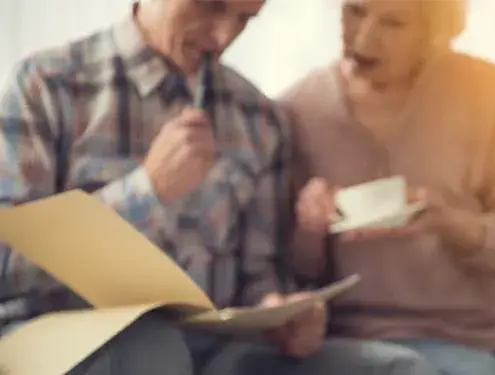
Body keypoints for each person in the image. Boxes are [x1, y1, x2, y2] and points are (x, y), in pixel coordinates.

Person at [0, 0, 439, 374]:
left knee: (396, 367)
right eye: (210, 4)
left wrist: (278, 311)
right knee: (153, 348)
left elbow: (260, 274)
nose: (223, 35)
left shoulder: (258, 118)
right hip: (68, 341)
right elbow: (6, 267)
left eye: (245, 18)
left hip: (217, 346)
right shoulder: (45, 86)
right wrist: (146, 192)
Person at [283, 0, 495, 374]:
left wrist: (452, 222)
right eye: (355, 10)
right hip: (377, 333)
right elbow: (296, 280)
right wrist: (308, 228)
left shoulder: (486, 91)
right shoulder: (298, 110)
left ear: (433, 34)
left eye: (393, 23)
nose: (365, 36)